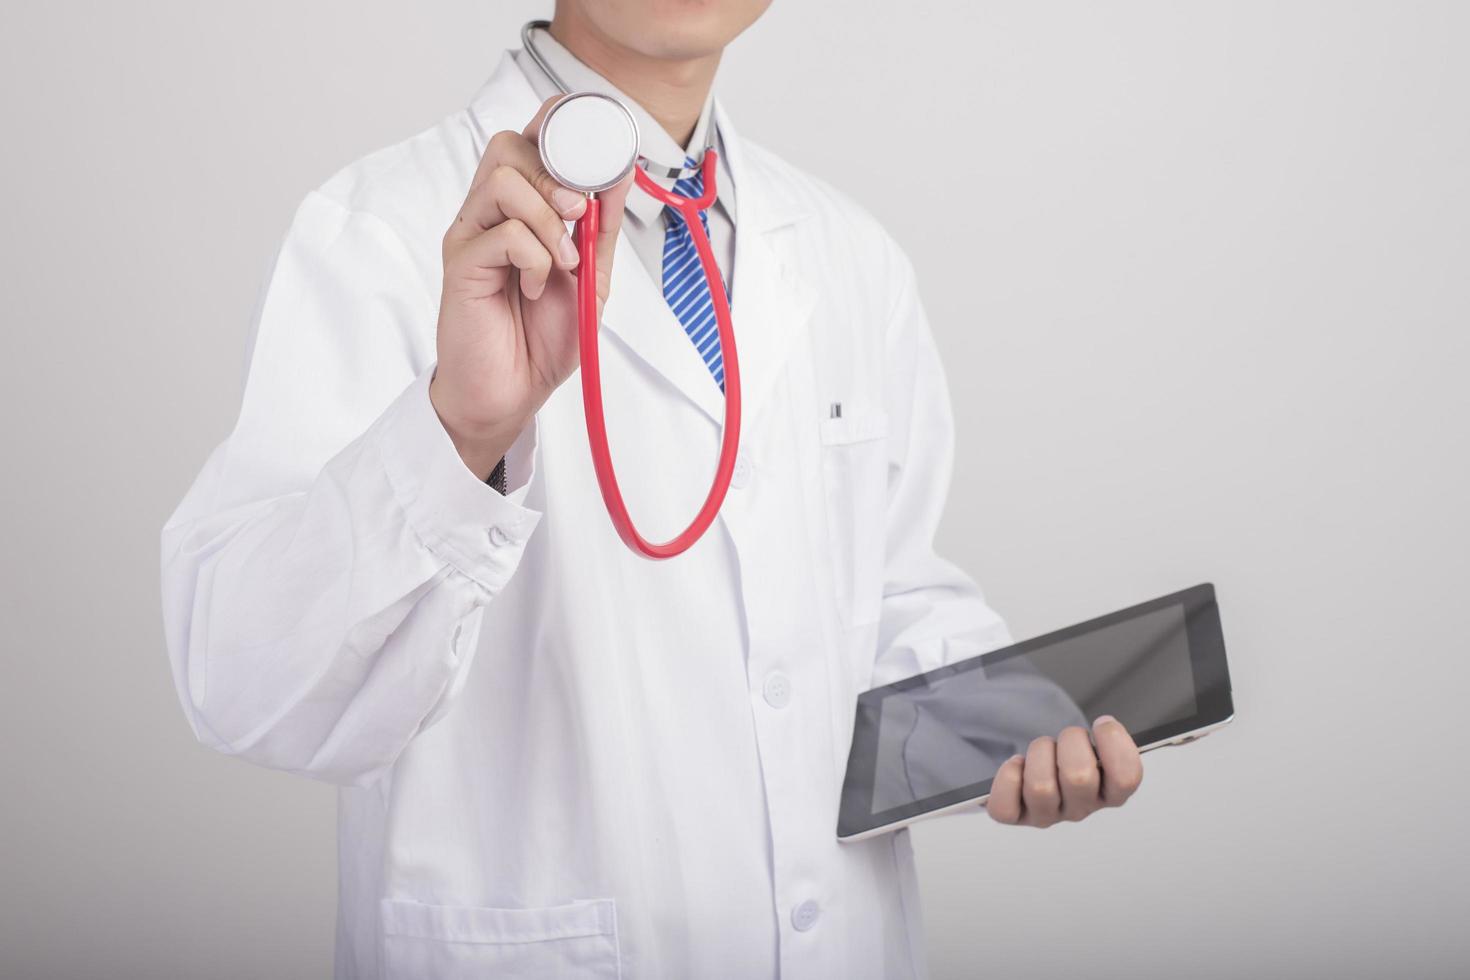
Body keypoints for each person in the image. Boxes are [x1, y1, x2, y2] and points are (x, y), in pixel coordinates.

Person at [160, 2, 1145, 977]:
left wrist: (1007, 724)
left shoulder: (851, 256)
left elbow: (874, 599)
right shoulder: (378, 233)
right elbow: (245, 686)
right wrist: (460, 430)